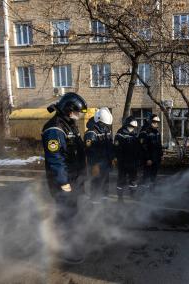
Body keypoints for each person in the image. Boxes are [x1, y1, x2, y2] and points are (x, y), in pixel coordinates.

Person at [41, 92, 87, 263]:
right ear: (69, 110)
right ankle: (65, 250)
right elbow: (56, 159)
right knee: (66, 214)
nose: (79, 115)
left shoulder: (69, 125)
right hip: (63, 182)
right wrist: (63, 182)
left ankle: (69, 242)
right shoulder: (54, 129)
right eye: (77, 112)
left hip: (73, 179)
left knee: (72, 213)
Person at [84, 107, 114, 202]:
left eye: (107, 125)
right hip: (96, 165)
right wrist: (94, 165)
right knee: (96, 185)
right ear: (99, 121)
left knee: (104, 184)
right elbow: (90, 151)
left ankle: (103, 204)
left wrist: (112, 158)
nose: (106, 126)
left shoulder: (106, 131)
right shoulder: (91, 133)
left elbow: (109, 145)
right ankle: (94, 205)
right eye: (104, 124)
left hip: (105, 163)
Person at [114, 116, 141, 201]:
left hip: (133, 162)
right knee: (121, 180)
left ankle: (133, 195)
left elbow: (138, 147)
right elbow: (116, 148)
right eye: (131, 127)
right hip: (123, 162)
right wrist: (117, 159)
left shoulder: (135, 133)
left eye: (134, 127)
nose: (132, 129)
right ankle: (120, 197)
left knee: (133, 179)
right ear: (126, 125)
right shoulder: (120, 134)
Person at [138, 114, 163, 191]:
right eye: (154, 122)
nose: (156, 124)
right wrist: (148, 158)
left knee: (153, 176)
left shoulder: (156, 132)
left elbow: (159, 144)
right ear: (149, 121)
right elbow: (143, 147)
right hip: (148, 160)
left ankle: (152, 190)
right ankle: (144, 192)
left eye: (157, 122)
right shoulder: (144, 132)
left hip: (155, 158)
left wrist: (161, 154)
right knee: (146, 176)